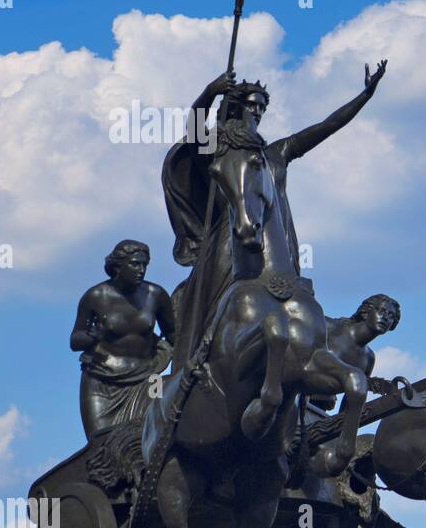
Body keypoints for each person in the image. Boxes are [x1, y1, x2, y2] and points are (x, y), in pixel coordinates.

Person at [160, 61, 387, 370]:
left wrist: (364, 97)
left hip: (274, 238)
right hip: (232, 239)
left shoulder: (277, 152)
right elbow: (193, 132)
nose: (257, 113)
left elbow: (325, 127)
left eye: (262, 108)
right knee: (218, 303)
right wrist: (209, 93)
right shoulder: (221, 147)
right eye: (252, 106)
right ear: (238, 107)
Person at [70, 240, 175, 438]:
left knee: (158, 437)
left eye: (144, 265)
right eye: (135, 264)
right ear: (118, 267)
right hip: (101, 382)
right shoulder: (95, 296)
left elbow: (174, 335)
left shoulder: (156, 295)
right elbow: (75, 341)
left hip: (150, 378)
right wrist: (93, 337)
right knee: (100, 446)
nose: (141, 270)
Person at [309, 294, 400, 410]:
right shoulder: (328, 326)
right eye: (382, 311)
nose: (386, 317)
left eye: (391, 316)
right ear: (365, 312)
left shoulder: (368, 358)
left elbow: (351, 400)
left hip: (317, 410)